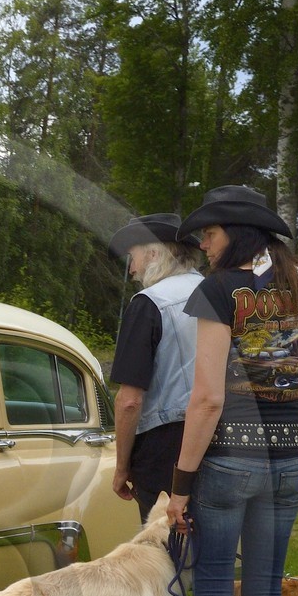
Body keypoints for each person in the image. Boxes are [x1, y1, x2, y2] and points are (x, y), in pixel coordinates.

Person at [166, 185, 298, 596]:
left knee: (215, 588)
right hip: (289, 459)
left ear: (236, 235)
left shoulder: (217, 290)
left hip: (228, 460)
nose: (204, 244)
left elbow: (208, 399)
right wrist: (294, 455)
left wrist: (180, 485)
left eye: (211, 234)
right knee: (266, 590)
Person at [107, 213, 206, 523]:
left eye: (133, 255)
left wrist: (122, 466)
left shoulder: (149, 303)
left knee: (165, 555)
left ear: (153, 253)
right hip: (218, 438)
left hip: (164, 448)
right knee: (213, 550)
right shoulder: (218, 294)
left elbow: (129, 400)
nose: (131, 267)